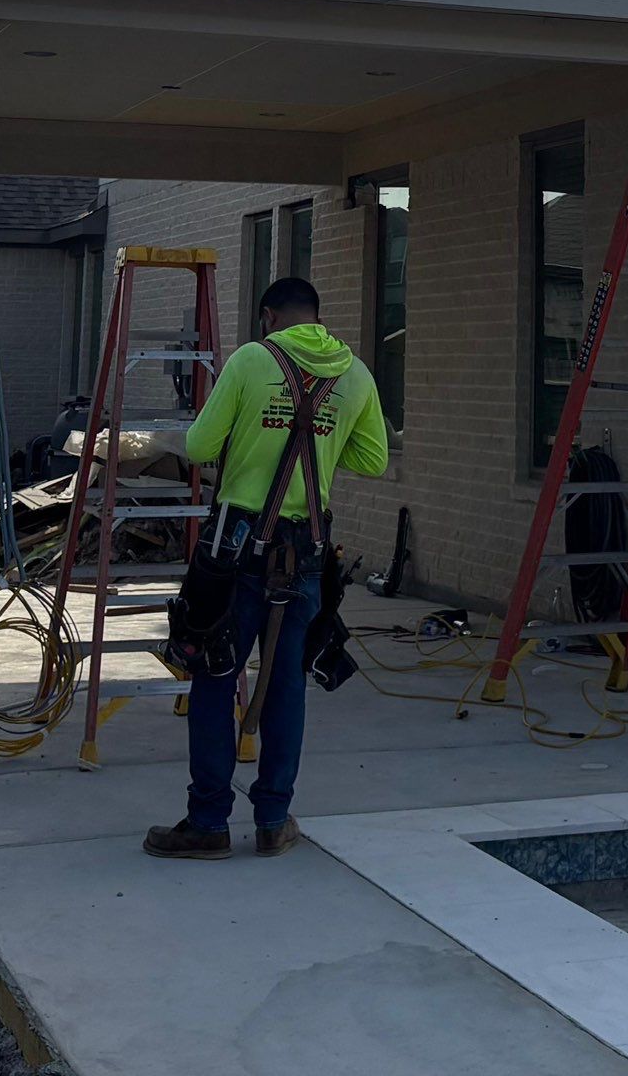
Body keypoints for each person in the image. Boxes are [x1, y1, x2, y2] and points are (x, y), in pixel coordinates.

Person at [145, 276, 389, 860]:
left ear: (267, 317)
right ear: (318, 319)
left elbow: (202, 447)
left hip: (236, 550)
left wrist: (260, 429)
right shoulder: (354, 375)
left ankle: (207, 823)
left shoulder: (254, 360)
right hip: (304, 553)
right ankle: (274, 820)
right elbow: (373, 459)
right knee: (286, 686)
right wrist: (322, 440)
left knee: (214, 673)